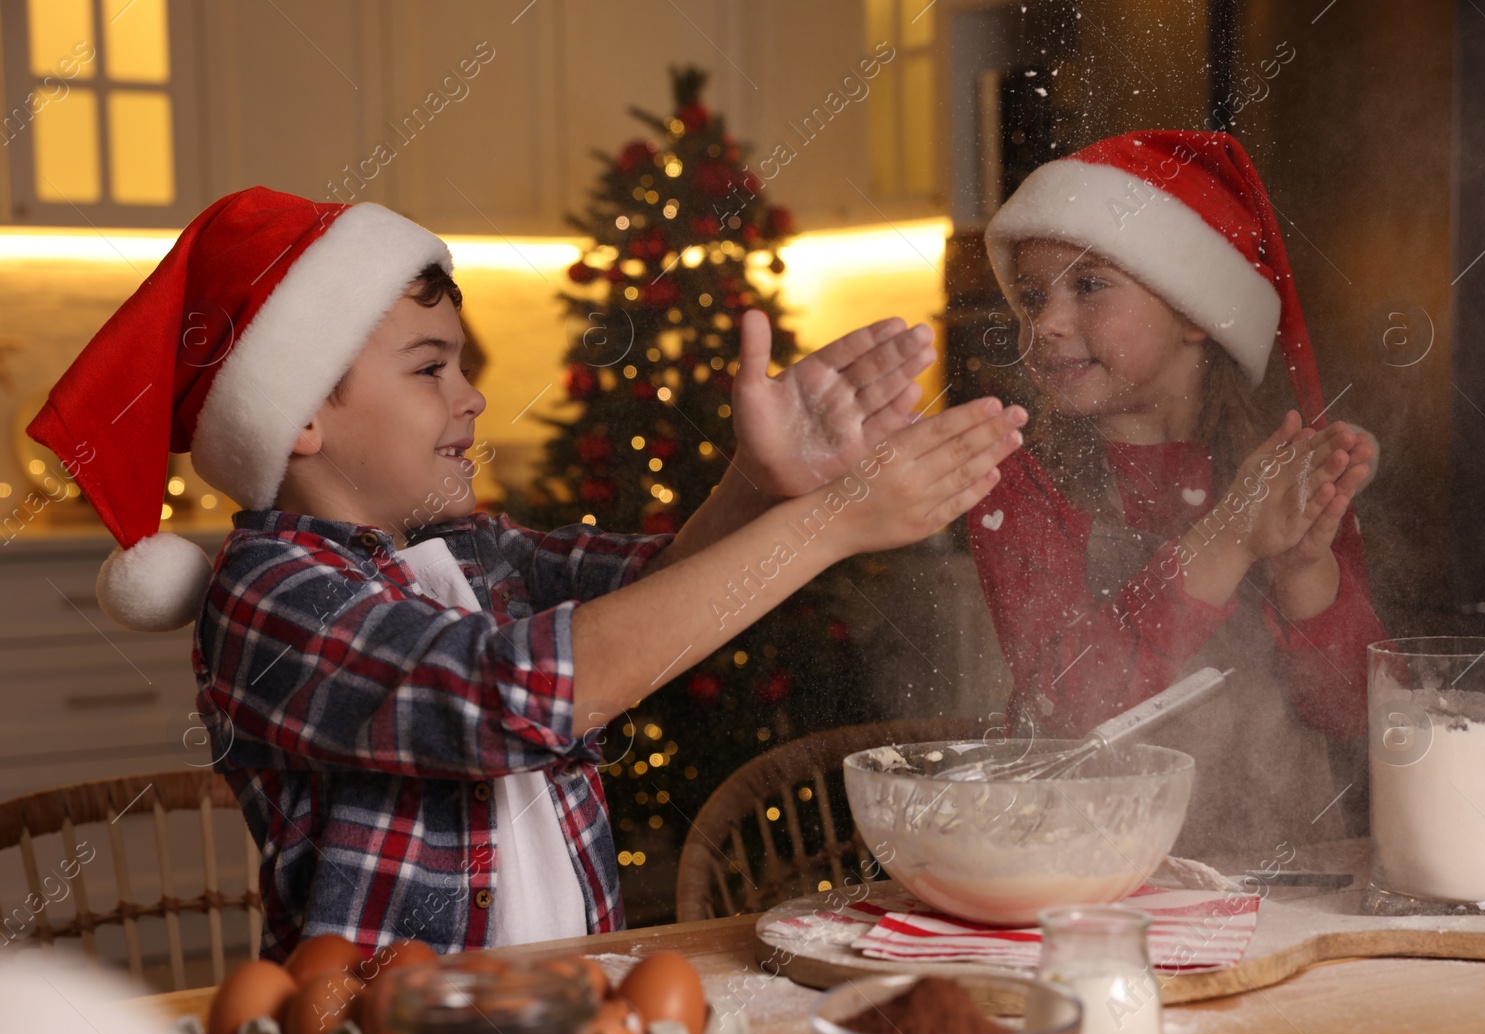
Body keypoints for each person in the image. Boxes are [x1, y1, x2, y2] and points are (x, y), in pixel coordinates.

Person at [27, 187, 1026, 960]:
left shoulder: (472, 552)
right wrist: (827, 523)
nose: (471, 399)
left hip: (554, 1006)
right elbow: (508, 695)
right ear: (297, 415)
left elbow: (655, 596)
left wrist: (760, 488)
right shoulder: (269, 594)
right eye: (430, 369)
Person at [970, 130, 1386, 858]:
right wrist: (1228, 539)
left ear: (1199, 310)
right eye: (1033, 298)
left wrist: (1302, 570)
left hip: (1294, 885)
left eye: (1089, 285)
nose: (1046, 323)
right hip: (1090, 879)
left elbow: (1358, 712)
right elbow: (1067, 709)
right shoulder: (1017, 481)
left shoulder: (1285, 468)